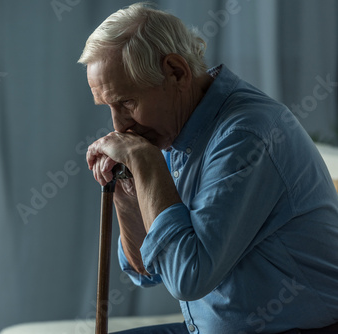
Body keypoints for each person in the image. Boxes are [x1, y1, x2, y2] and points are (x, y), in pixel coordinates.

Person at [78, 3, 338, 334]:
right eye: (110, 107)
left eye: (127, 103)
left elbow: (188, 278)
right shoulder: (173, 130)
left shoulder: (247, 134)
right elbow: (146, 270)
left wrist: (145, 163)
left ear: (176, 72)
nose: (119, 126)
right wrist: (127, 187)